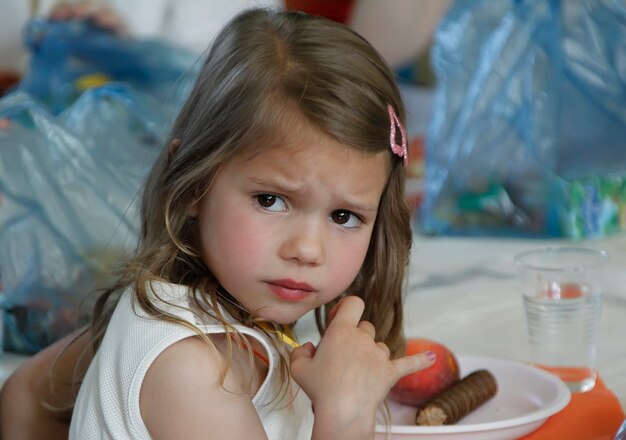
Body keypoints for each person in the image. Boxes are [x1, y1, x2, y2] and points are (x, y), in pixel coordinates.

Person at [1, 7, 434, 439]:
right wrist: (344, 417)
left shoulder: (203, 311)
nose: (307, 249)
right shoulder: (191, 368)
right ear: (193, 185)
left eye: (344, 216)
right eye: (270, 200)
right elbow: (25, 395)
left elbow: (22, 391)